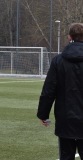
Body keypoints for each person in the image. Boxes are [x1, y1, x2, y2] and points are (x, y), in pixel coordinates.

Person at [37, 23, 83, 160]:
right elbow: (49, 89)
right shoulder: (58, 60)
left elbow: (49, 90)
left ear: (69, 37)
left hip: (65, 118)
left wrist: (43, 114)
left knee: (66, 156)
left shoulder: (58, 60)